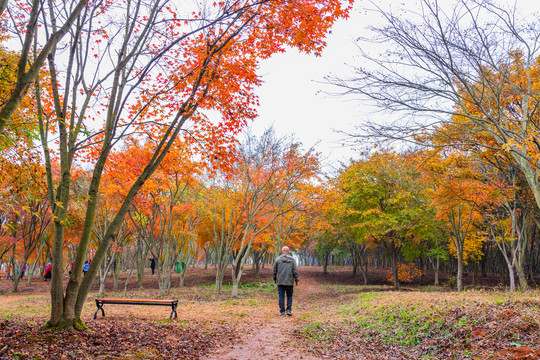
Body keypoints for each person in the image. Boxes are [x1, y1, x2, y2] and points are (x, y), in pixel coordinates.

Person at [273, 246, 299, 317]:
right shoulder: (293, 260)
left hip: (280, 281)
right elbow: (295, 271)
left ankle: (282, 312)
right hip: (289, 282)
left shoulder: (277, 260)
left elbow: (274, 271)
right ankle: (289, 310)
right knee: (289, 296)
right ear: (288, 252)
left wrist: (275, 279)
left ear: (282, 252)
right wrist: (297, 280)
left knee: (281, 296)